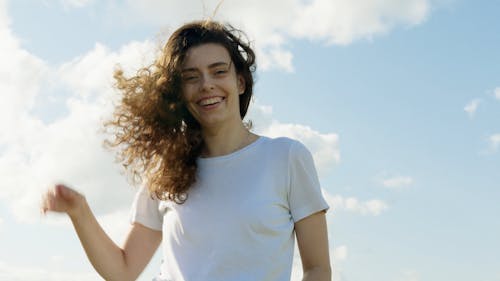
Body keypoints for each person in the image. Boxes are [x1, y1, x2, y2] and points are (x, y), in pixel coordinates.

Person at [41, 20, 331, 281]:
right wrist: (79, 211)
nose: (207, 85)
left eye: (218, 72)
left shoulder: (286, 157)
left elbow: (317, 269)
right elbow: (123, 270)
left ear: (240, 82)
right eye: (191, 77)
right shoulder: (166, 168)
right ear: (179, 92)